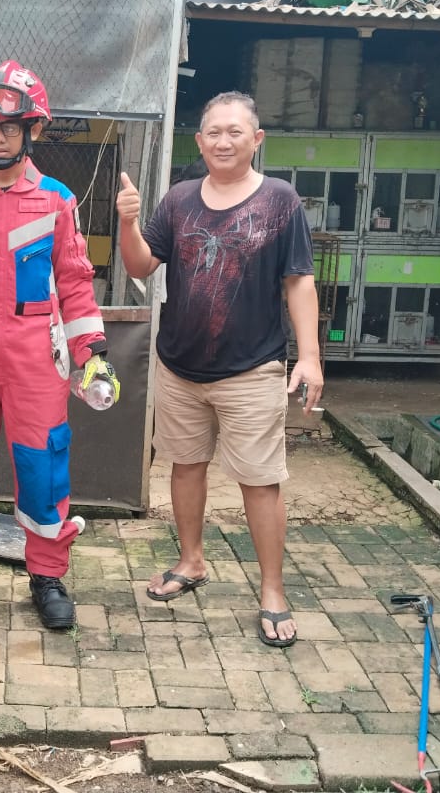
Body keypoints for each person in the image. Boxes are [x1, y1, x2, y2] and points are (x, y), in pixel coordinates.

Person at [115, 90, 322, 648]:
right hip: (180, 365)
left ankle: (272, 590)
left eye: (235, 131)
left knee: (260, 481)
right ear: (199, 141)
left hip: (251, 368)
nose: (223, 140)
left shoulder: (280, 201)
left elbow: (299, 280)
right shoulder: (180, 200)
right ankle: (191, 561)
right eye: (213, 132)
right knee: (185, 466)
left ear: (256, 140)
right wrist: (129, 224)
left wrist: (309, 356)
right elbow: (141, 265)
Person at [0, 60, 119, 630]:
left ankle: (47, 576)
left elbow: (77, 286)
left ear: (32, 129)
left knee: (42, 468)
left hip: (36, 349)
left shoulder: (57, 201)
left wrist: (93, 355)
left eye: (9, 126)